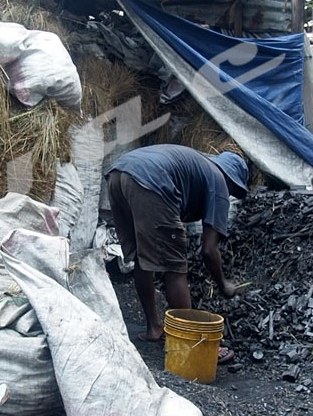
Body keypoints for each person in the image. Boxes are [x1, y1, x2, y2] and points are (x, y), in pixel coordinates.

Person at [106, 145, 248, 358]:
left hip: (118, 176)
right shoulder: (219, 182)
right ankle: (193, 344)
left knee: (141, 259)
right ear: (231, 180)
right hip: (150, 181)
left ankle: (154, 327)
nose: (229, 196)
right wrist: (223, 284)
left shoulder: (199, 168)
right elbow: (209, 250)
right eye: (233, 191)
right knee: (175, 269)